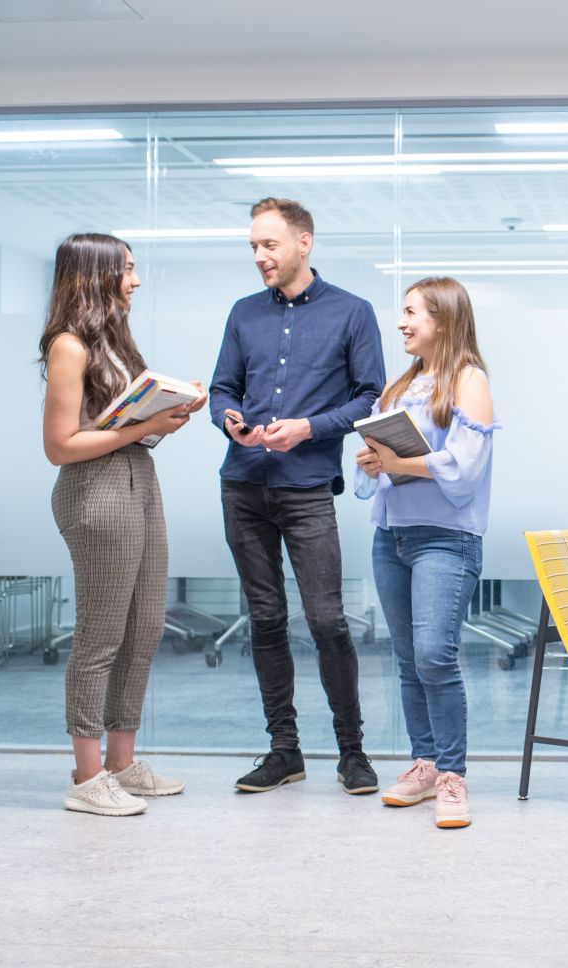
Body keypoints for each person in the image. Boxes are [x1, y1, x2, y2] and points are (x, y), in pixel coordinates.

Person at [209, 197, 386, 795]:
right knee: (264, 619)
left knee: (327, 620)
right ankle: (284, 750)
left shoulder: (352, 312)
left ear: (303, 243)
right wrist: (228, 417)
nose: (260, 256)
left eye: (270, 245)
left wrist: (309, 428)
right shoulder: (242, 313)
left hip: (307, 487)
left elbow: (370, 397)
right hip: (243, 485)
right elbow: (221, 389)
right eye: (254, 246)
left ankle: (352, 752)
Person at [40, 233, 207, 816]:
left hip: (138, 481)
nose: (134, 281)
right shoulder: (69, 345)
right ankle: (87, 780)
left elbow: (122, 421)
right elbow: (60, 446)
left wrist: (172, 409)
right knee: (100, 638)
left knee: (144, 628)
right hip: (97, 493)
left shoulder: (114, 341)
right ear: (95, 275)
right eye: (127, 270)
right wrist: (145, 427)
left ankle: (121, 761)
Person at [355, 276, 496, 829]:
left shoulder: (469, 380)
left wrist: (398, 464)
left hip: (446, 538)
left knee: (436, 655)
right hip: (392, 538)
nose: (402, 322)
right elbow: (378, 472)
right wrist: (374, 462)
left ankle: (454, 776)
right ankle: (425, 764)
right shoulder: (399, 386)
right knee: (411, 661)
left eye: (412, 312)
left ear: (444, 318)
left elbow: (464, 469)